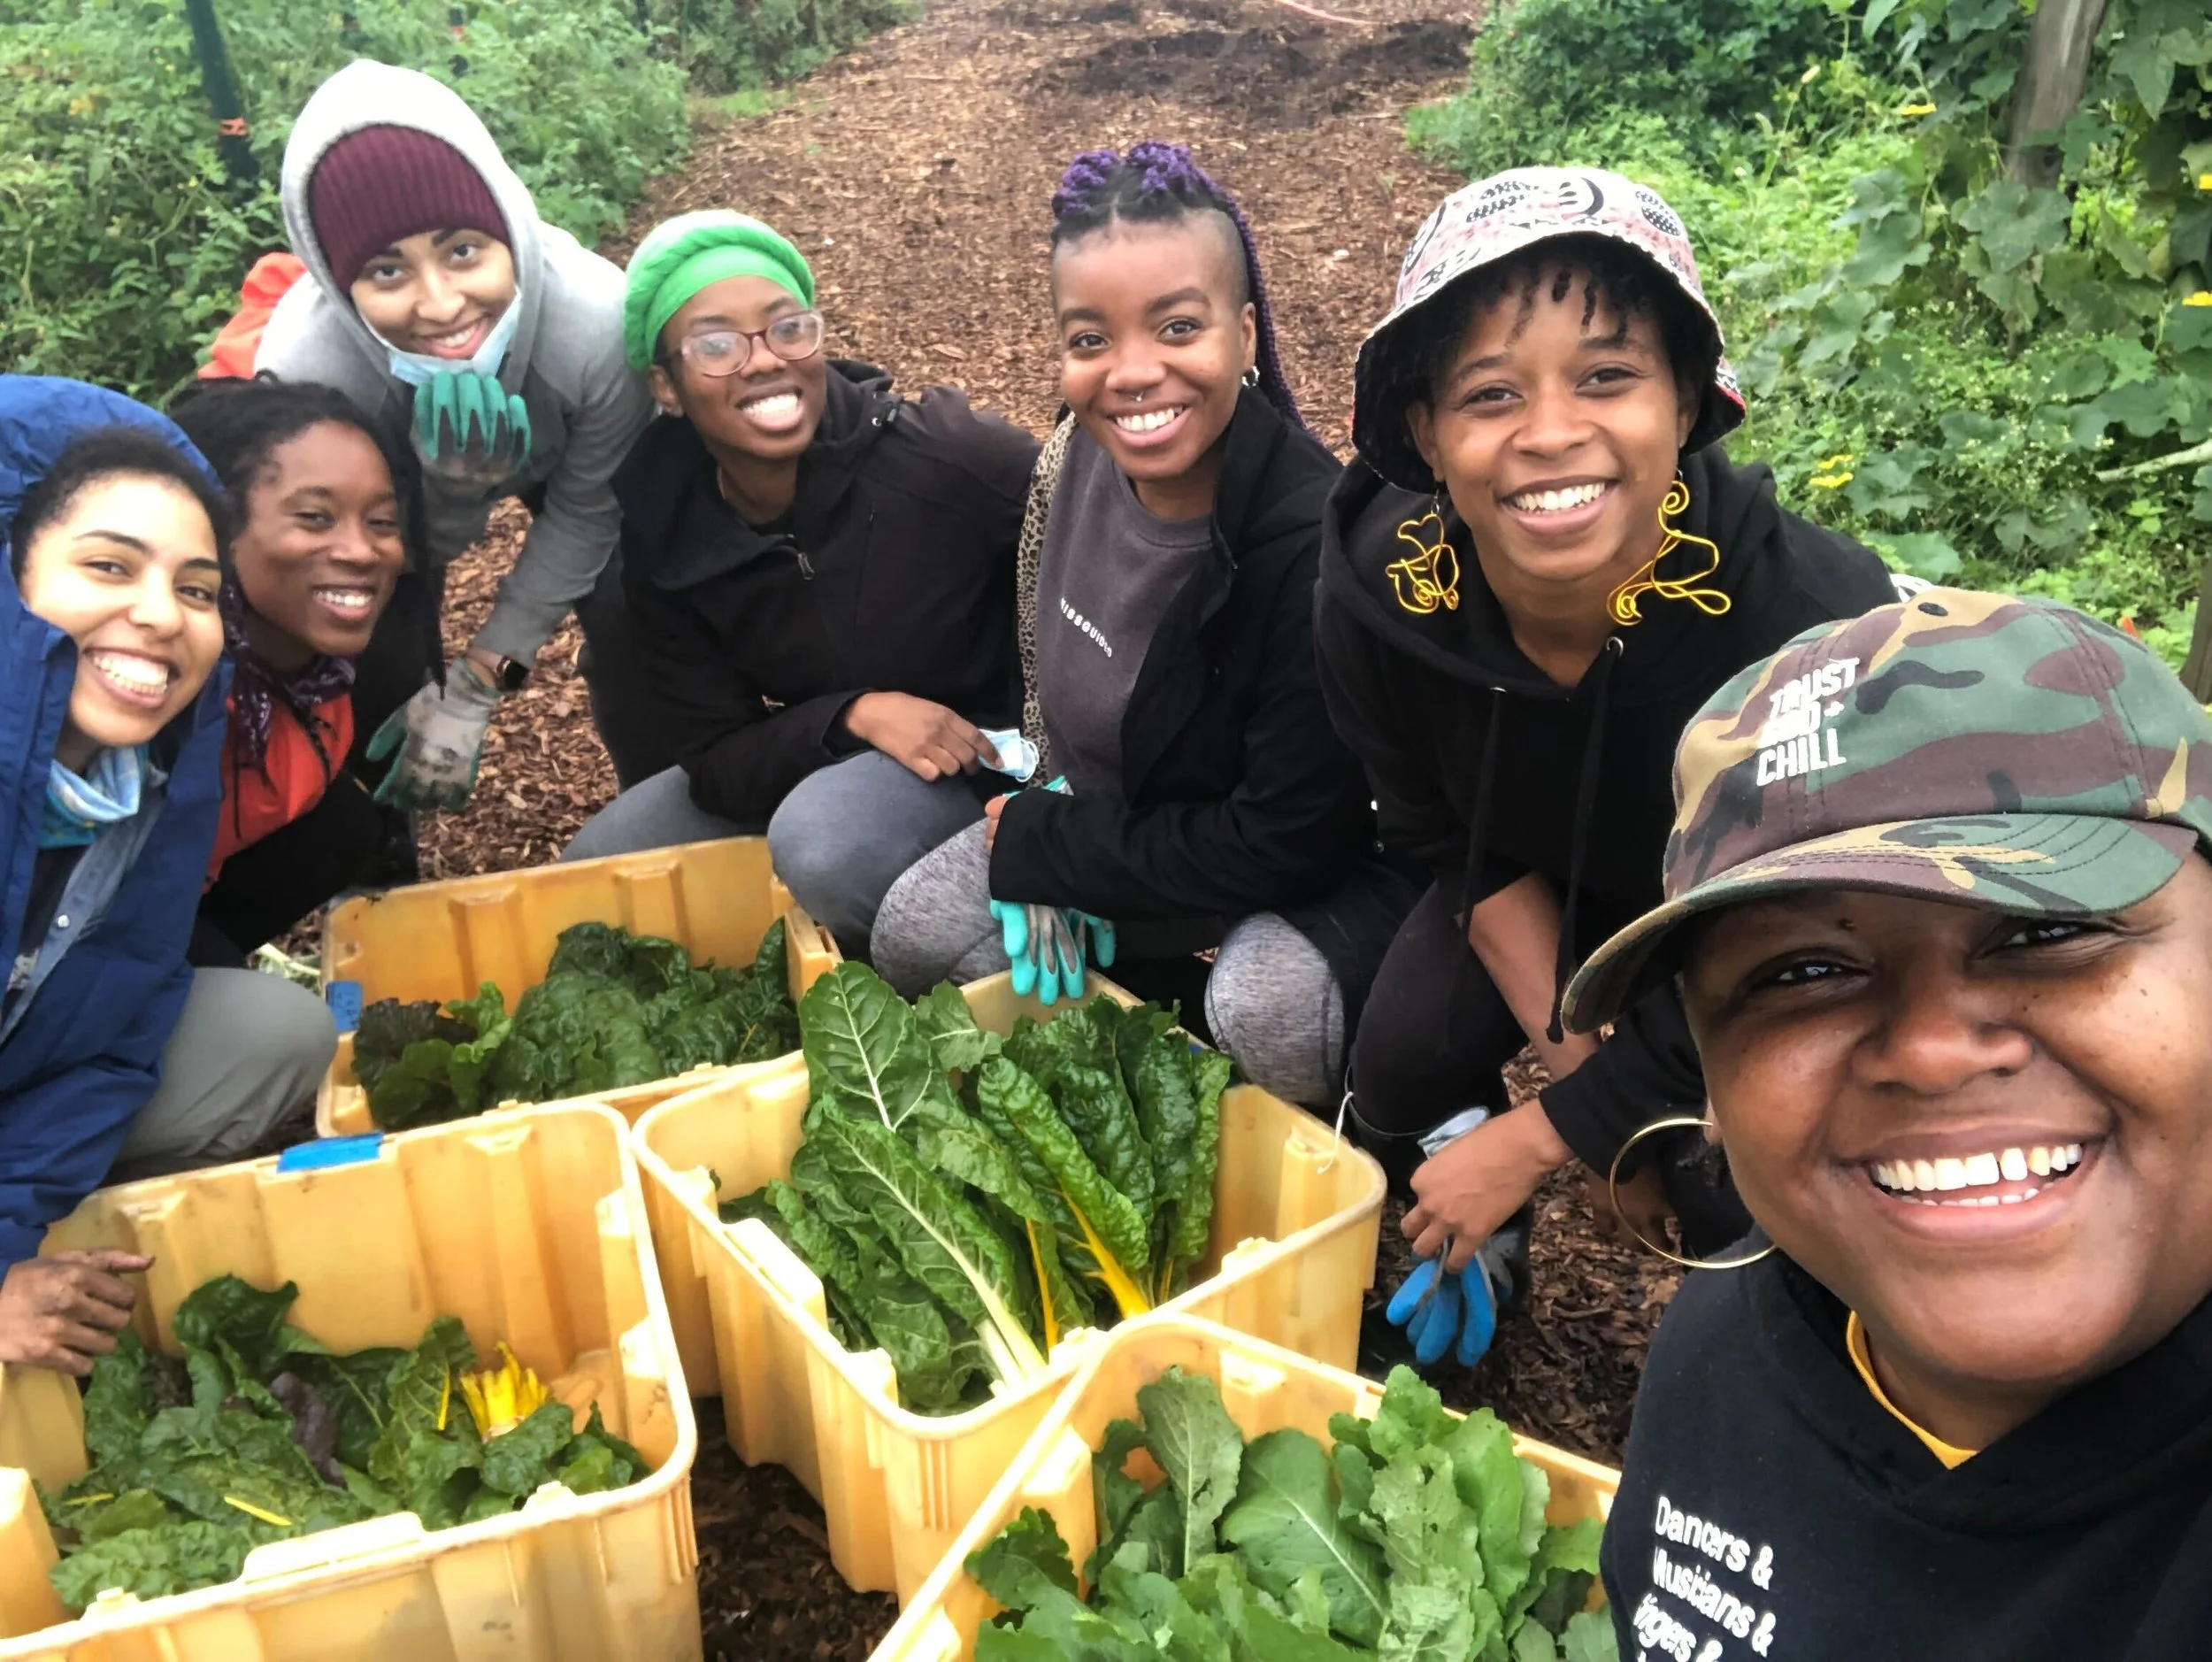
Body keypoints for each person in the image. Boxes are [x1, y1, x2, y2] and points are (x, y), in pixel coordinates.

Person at [1568, 589, 2212, 1659]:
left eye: (2047, 929)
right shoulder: (1723, 1351)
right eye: (1804, 971)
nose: (1928, 1048)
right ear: (1712, 1085)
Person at [1314, 167, 1898, 1332]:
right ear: (1425, 435)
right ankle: (1476, 1237)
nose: (1549, 433)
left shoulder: (1806, 628)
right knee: (1403, 1056)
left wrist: (1555, 1135)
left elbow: (1820, 940)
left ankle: (1795, 1357)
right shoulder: (1380, 594)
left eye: (1607, 376)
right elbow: (1439, 835)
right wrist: (1581, 1083)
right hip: (1538, 877)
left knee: (1732, 1193)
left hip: (1753, 921)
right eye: (1488, 395)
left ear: (1686, 401)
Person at [870, 143, 1420, 1108]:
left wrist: (1051, 846)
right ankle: (1141, 1086)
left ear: (1245, 335)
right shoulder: (1066, 465)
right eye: (1090, 340)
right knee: (917, 932)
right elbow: (1048, 687)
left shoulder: (1311, 552)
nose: (1131, 374)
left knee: (1265, 1005)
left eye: (1175, 326)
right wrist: (1045, 803)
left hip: (1311, 866)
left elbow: (1289, 842)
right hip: (1126, 822)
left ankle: (1384, 1142)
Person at [561, 210, 1041, 956]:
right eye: (717, 345)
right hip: (836, 752)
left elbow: (1100, 538)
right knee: (597, 875)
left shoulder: (948, 458)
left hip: (992, 760)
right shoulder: (667, 532)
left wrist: (1063, 773)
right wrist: (852, 715)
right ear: (666, 383)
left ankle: (983, 966)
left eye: (787, 328)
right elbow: (713, 756)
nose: (762, 361)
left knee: (823, 843)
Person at [0, 377, 336, 1375]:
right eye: (109, 566)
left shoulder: (136, 784)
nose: (160, 616)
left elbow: (107, 1048)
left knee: (278, 1032)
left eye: (195, 590)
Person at [254, 59, 658, 811]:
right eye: (386, 271)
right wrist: (448, 493)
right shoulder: (313, 373)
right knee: (365, 630)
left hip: (559, 440)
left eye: (463, 250)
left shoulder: (595, 323)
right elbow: (371, 558)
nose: (439, 305)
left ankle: (664, 792)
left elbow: (589, 510)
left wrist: (482, 681)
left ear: (507, 226)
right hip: (399, 494)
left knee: (635, 594)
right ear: (341, 287)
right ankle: (373, 848)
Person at [170, 377, 413, 962]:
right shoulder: (170, 683)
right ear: (221, 529)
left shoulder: (323, 673)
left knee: (347, 827)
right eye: (314, 517)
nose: (360, 550)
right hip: (66, 929)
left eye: (381, 522)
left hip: (183, 889)